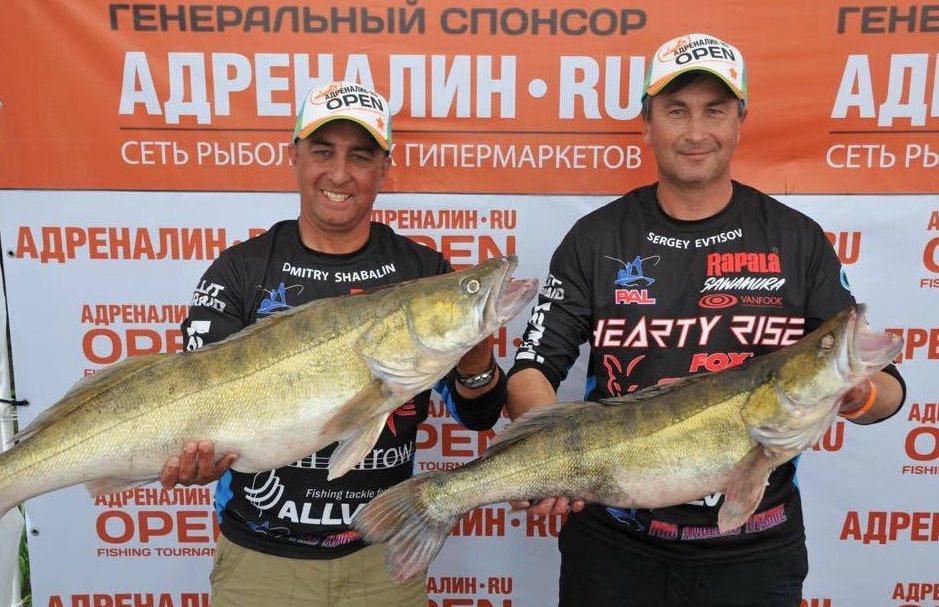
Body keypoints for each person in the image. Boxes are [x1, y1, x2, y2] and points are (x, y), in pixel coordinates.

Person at [506, 33, 906, 607]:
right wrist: (549, 455)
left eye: (714, 111)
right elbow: (533, 367)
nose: (696, 132)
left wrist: (856, 392)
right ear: (647, 124)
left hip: (755, 557)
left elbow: (888, 390)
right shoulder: (596, 238)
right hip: (614, 552)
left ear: (740, 120)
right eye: (677, 111)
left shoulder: (796, 239)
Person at [159, 81, 507, 607]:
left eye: (360, 157)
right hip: (261, 566)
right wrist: (192, 456)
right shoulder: (240, 271)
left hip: (384, 562)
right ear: (294, 156)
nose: (340, 174)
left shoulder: (422, 271)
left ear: (384, 169)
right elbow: (193, 403)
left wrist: (476, 358)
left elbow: (477, 416)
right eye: (323, 152)